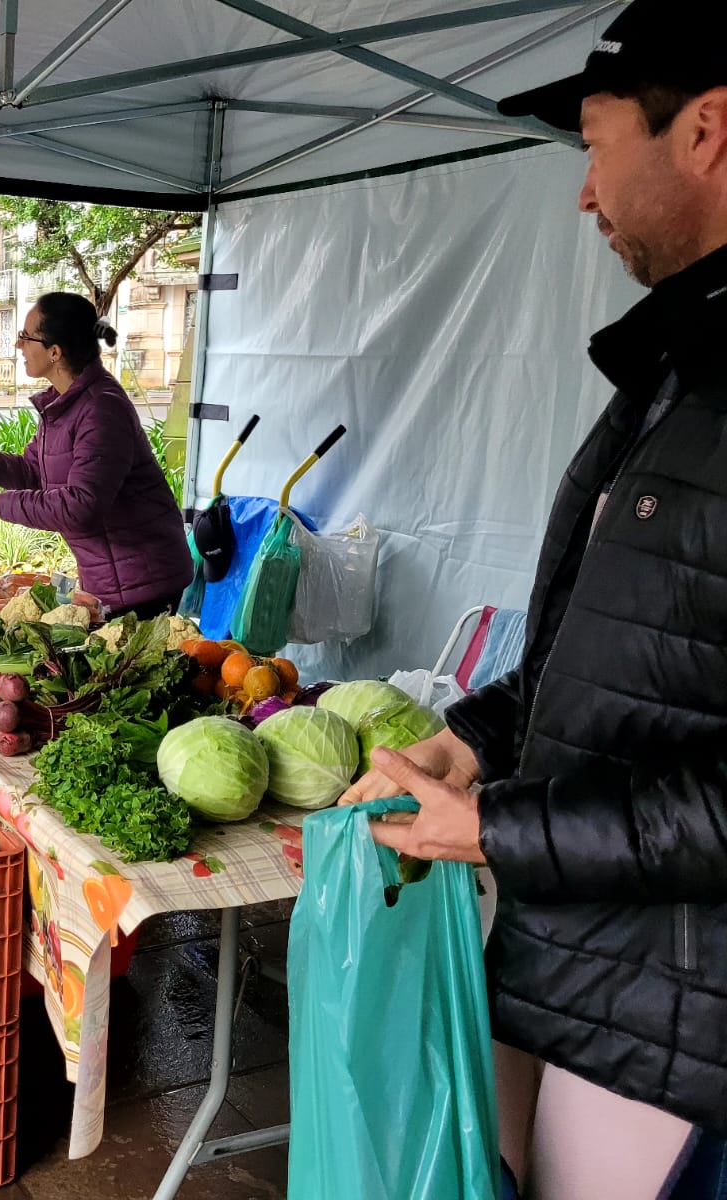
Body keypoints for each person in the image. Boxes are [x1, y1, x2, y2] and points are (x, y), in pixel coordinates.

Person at [342, 4, 727, 1197]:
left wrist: (498, 829)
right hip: (590, 967)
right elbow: (604, 654)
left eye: (596, 145)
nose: (581, 193)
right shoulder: (672, 372)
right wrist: (473, 736)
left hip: (680, 1025)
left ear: (706, 131)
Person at [0, 291, 193, 618]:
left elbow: (82, 506)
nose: (18, 346)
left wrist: (4, 503)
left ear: (54, 352)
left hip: (145, 580)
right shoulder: (65, 404)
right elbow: (33, 471)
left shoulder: (101, 408)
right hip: (108, 576)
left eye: (26, 337)